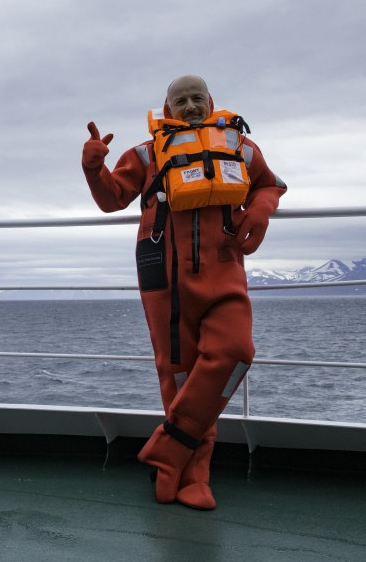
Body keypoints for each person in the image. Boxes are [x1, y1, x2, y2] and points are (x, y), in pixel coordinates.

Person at [81, 75, 286, 509]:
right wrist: (94, 168)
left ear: (210, 101)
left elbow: (270, 184)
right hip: (164, 275)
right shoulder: (145, 152)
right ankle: (190, 475)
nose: (190, 106)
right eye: (181, 100)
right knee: (179, 373)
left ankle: (168, 449)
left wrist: (262, 209)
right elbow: (112, 198)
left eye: (197, 98)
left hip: (224, 269)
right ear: (168, 107)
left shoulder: (242, 148)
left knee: (235, 352)